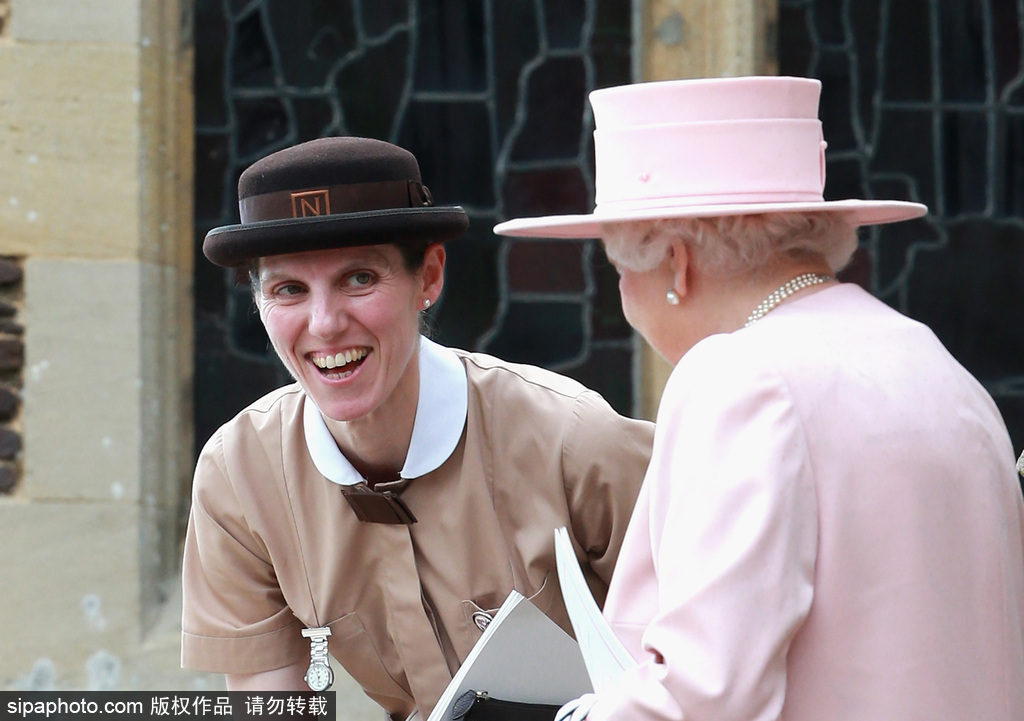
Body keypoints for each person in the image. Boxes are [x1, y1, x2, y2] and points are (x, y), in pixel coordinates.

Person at [494, 76, 1024, 721]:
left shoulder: (739, 378)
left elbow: (704, 692)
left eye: (619, 270)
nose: (623, 298)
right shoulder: (936, 365)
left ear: (677, 265)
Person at [181, 136, 654, 719]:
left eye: (359, 278)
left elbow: (708, 668)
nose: (325, 324)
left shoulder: (577, 439)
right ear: (259, 302)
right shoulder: (238, 476)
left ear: (428, 277)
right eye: (289, 290)